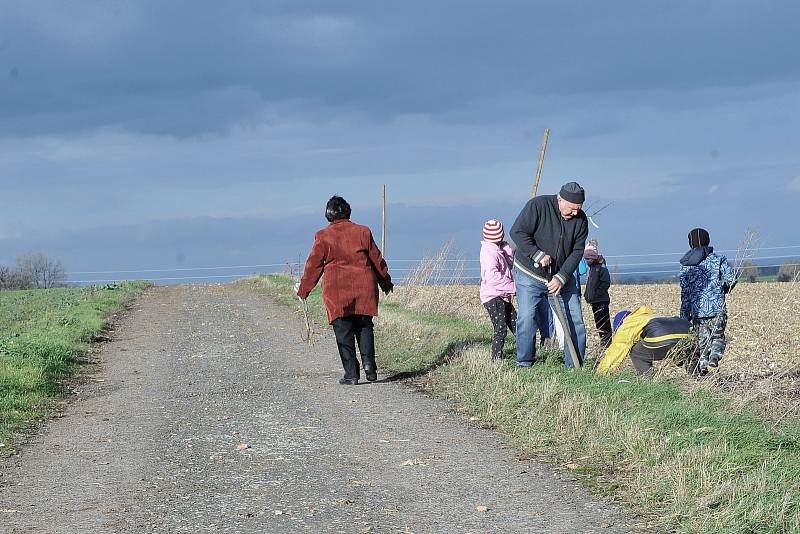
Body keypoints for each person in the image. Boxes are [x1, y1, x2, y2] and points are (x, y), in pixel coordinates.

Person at [296, 195, 393, 385]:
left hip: (337, 292)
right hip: (364, 288)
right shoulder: (363, 232)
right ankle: (369, 365)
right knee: (365, 326)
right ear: (348, 212)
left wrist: (304, 290)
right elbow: (377, 261)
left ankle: (351, 374)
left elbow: (313, 266)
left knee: (343, 331)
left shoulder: (323, 236)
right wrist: (386, 283)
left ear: (328, 215)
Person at [509, 182, 588, 368]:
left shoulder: (581, 220)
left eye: (578, 209)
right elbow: (517, 232)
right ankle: (525, 362)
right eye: (571, 209)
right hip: (530, 274)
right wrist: (537, 253)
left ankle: (575, 368)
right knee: (527, 318)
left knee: (575, 321)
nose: (575, 213)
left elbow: (577, 251)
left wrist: (562, 277)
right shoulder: (538, 206)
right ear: (560, 199)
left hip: (561, 278)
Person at [679, 228, 736, 375]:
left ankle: (702, 367)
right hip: (717, 309)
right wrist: (722, 289)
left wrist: (684, 317)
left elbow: (685, 293)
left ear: (690, 243)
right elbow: (732, 279)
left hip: (696, 312)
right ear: (708, 240)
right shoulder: (719, 259)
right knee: (718, 336)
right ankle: (715, 356)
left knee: (701, 343)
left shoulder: (685, 265)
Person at [596, 308, 690, 376]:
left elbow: (617, 349)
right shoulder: (647, 317)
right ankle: (696, 376)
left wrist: (602, 372)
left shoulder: (628, 323)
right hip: (688, 332)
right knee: (688, 352)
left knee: (635, 351)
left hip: (661, 336)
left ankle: (647, 378)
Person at [479, 219, 516, 360]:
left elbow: (509, 265)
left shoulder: (498, 250)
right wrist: (513, 288)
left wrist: (506, 250)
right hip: (492, 296)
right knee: (500, 327)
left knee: (516, 324)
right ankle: (496, 358)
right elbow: (493, 277)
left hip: (503, 294)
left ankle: (526, 352)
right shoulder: (489, 252)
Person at [583, 239, 612, 349]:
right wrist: (588, 296)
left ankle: (607, 342)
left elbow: (605, 284)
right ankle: (603, 341)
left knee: (603, 322)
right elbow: (590, 285)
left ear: (594, 257)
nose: (587, 260)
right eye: (586, 258)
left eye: (589, 258)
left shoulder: (601, 268)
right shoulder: (592, 268)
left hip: (601, 300)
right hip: (595, 300)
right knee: (598, 322)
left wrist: (595, 295)